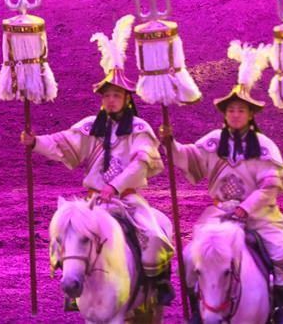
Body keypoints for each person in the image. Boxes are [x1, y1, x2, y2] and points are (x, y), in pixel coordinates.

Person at [20, 15, 175, 311]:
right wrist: (36, 142)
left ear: (127, 99)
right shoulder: (91, 125)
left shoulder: (140, 128)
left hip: (128, 201)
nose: (111, 101)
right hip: (93, 203)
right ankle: (72, 289)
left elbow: (142, 162)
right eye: (107, 96)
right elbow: (64, 142)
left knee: (155, 236)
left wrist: (115, 187)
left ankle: (160, 283)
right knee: (65, 238)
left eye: (116, 96)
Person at [162, 42, 283, 323]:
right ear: (225, 114)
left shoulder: (264, 146)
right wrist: (170, 143)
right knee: (191, 256)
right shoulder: (213, 141)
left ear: (250, 114)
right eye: (231, 110)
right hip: (220, 213)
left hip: (260, 215)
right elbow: (189, 157)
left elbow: (270, 185)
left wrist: (246, 209)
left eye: (241, 110)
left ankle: (280, 310)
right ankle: (199, 312)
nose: (235, 114)